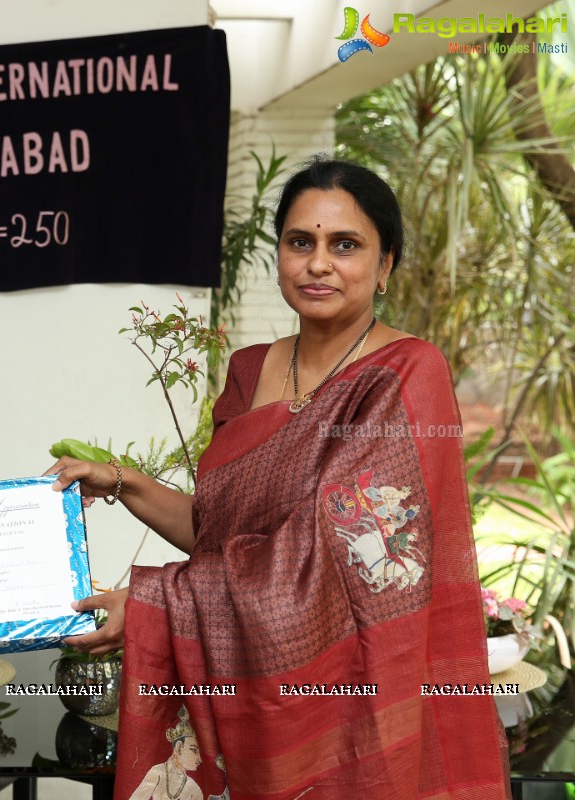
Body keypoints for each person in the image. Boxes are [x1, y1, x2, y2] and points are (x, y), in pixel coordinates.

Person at [49, 158, 510, 798]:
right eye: (301, 242)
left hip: (348, 701)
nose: (318, 264)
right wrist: (125, 482)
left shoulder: (407, 375)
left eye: (344, 245)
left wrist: (155, 605)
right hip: (240, 696)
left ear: (385, 266)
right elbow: (219, 539)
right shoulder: (247, 372)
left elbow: (333, 558)